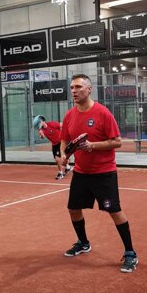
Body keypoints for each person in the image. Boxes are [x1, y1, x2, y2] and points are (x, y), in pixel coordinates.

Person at [60, 74, 138, 274]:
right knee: (73, 209)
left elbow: (117, 142)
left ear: (89, 89)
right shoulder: (69, 115)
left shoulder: (103, 113)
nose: (74, 91)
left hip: (104, 174)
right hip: (81, 173)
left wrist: (92, 146)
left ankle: (130, 253)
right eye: (72, 87)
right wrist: (63, 155)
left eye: (78, 87)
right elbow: (65, 139)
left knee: (114, 212)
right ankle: (83, 243)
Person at [36, 115, 72, 180]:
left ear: (43, 121)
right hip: (54, 144)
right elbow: (42, 137)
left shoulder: (52, 124)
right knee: (57, 159)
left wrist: (64, 134)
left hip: (61, 142)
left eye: (39, 122)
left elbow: (62, 125)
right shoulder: (41, 130)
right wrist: (41, 134)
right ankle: (67, 167)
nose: (38, 124)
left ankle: (60, 173)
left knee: (57, 159)